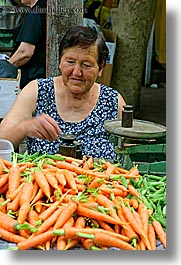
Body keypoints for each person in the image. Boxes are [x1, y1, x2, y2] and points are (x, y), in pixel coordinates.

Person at [0, 25, 126, 160]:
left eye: (87, 65)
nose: (77, 72)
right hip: (45, 180)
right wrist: (24, 127)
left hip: (99, 180)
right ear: (60, 62)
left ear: (100, 68)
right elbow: (2, 141)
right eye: (70, 62)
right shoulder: (37, 91)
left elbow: (131, 151)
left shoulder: (113, 101)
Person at [8, 0, 47, 89]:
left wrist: (7, 67)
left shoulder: (36, 13)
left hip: (33, 77)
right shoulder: (42, 8)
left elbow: (25, 53)